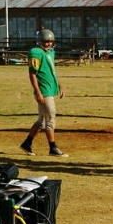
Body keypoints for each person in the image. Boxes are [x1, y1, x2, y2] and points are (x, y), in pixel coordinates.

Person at [20, 28, 68, 156]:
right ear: (40, 41)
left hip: (50, 88)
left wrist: (59, 86)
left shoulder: (50, 52)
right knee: (51, 118)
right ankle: (53, 147)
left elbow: (53, 71)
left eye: (50, 42)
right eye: (46, 41)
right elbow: (32, 73)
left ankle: (27, 143)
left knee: (41, 121)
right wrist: (38, 91)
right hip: (43, 90)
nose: (49, 44)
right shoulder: (35, 52)